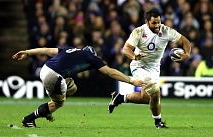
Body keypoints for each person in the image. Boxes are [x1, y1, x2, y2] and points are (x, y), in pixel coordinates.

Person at [12, 46, 148, 128]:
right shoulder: (91, 58)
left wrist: (28, 52)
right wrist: (131, 81)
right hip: (54, 75)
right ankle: (29, 119)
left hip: (45, 68)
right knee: (58, 104)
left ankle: (46, 110)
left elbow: (47, 50)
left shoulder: (70, 49)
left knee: (73, 87)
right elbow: (110, 72)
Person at [108, 9, 191, 129]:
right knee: (155, 91)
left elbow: (185, 41)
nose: (157, 25)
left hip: (154, 68)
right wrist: (134, 57)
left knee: (148, 98)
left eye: (158, 22)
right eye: (154, 23)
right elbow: (126, 49)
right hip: (139, 66)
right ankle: (158, 122)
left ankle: (120, 98)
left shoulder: (166, 31)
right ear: (146, 22)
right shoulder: (139, 32)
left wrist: (187, 55)